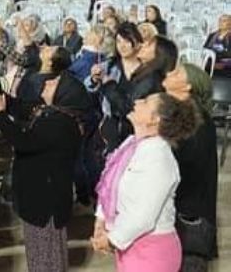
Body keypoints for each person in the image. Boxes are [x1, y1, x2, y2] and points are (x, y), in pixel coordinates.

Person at [0, 71, 91, 272]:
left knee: (45, 258)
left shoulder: (59, 123)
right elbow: (19, 107)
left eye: (55, 83)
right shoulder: (51, 112)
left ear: (65, 93)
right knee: (44, 255)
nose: (48, 81)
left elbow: (23, 142)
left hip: (44, 203)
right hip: (41, 200)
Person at [91, 93, 200, 271]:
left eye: (146, 102)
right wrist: (101, 222)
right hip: (130, 246)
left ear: (155, 119)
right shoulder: (132, 143)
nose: (137, 101)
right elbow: (109, 184)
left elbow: (143, 216)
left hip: (151, 252)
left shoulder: (159, 158)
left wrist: (111, 240)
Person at [161, 63, 219, 271]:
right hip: (186, 212)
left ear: (188, 86)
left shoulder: (194, 121)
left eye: (176, 72)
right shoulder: (186, 113)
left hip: (189, 219)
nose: (168, 72)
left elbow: (183, 171)